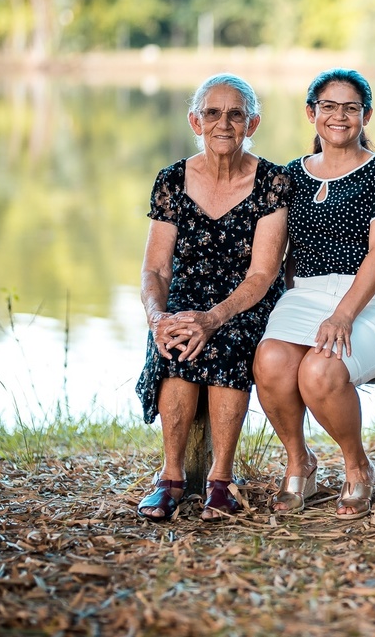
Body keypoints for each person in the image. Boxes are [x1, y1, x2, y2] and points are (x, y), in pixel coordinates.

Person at [253, 68, 375, 521]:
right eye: (328, 106)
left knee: (322, 370)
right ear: (311, 113)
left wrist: (343, 315)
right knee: (271, 360)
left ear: (367, 115)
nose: (339, 116)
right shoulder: (290, 175)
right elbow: (283, 254)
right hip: (307, 294)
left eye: (351, 108)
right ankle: (299, 462)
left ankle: (356, 465)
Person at [135, 74, 290, 523]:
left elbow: (263, 273)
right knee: (175, 340)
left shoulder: (272, 181)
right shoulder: (172, 179)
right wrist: (158, 318)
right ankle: (170, 477)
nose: (224, 123)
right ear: (195, 121)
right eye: (212, 113)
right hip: (187, 293)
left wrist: (213, 318)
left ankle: (221, 481)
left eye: (236, 114)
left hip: (245, 300)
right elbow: (156, 269)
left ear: (252, 124)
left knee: (227, 344)